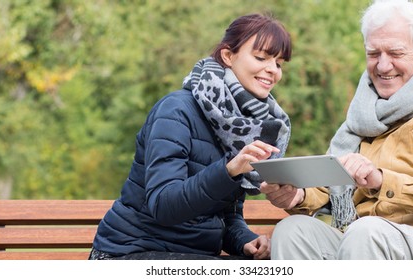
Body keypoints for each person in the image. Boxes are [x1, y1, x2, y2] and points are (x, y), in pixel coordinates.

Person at [260, 0, 413, 260]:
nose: (383, 66)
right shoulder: (365, 112)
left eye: (396, 53)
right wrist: (297, 195)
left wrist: (381, 180)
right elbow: (330, 184)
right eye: (374, 54)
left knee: (365, 232)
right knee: (293, 231)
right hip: (367, 236)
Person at [90, 13, 293, 260]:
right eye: (261, 58)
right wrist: (228, 171)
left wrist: (246, 242)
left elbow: (225, 219)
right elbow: (163, 206)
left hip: (190, 257)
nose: (272, 70)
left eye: (279, 63)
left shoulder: (244, 126)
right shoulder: (176, 110)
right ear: (228, 56)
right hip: (130, 253)